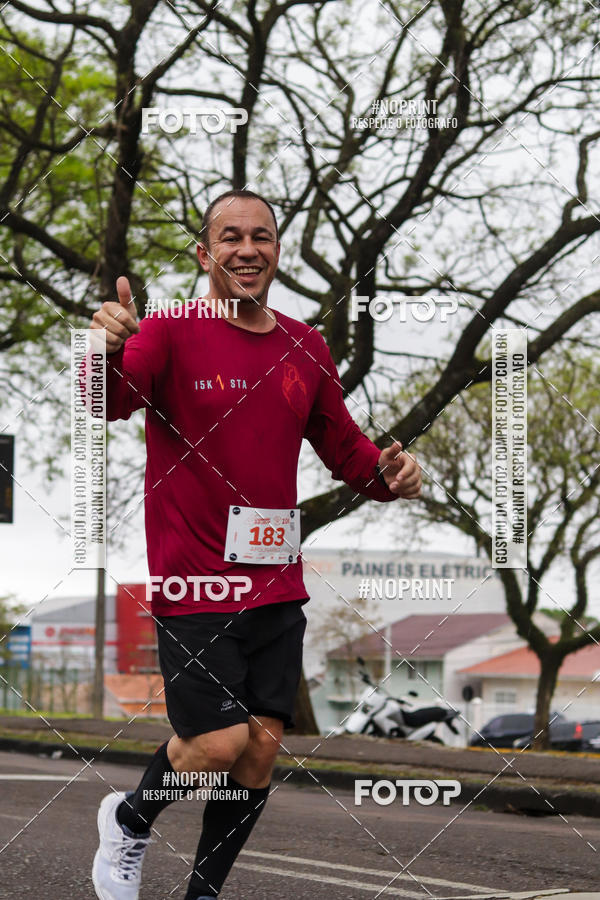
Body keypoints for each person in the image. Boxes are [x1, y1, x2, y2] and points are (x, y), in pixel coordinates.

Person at [90, 189, 422, 900]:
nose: (247, 249)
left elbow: (350, 453)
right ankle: (129, 818)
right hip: (195, 576)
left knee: (260, 754)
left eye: (262, 237)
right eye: (231, 237)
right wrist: (104, 345)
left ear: (276, 250)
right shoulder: (171, 331)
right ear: (205, 254)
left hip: (276, 580)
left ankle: (203, 894)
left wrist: (392, 476)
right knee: (216, 746)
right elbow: (107, 401)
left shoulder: (306, 346)